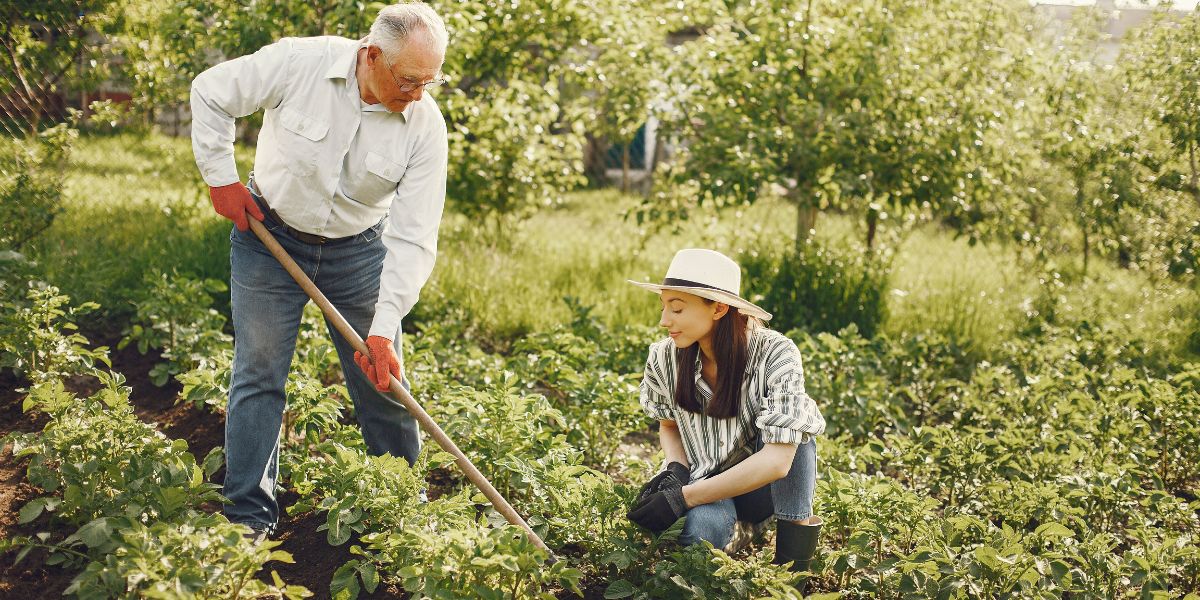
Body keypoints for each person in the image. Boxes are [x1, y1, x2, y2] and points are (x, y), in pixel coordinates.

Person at [188, 3, 450, 537]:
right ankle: (247, 518)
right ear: (371, 56)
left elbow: (414, 236)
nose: (419, 93)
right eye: (409, 80)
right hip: (269, 235)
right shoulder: (299, 64)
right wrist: (221, 177)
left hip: (358, 252)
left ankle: (402, 508)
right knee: (259, 374)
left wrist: (382, 328)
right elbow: (210, 91)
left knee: (382, 379)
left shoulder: (424, 126)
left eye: (431, 80)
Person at [625, 248, 827, 588]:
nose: (664, 320)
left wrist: (683, 498)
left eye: (676, 308)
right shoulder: (663, 357)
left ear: (718, 308)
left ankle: (794, 576)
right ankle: (736, 535)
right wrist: (677, 469)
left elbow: (778, 463)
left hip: (761, 488)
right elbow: (668, 426)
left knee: (797, 435)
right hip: (706, 482)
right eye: (663, 307)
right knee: (702, 532)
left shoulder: (775, 353)